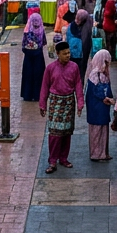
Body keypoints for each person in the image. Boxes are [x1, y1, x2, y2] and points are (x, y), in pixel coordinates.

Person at [39, 41, 84, 173]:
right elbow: (44, 87)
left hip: (68, 103)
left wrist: (80, 103)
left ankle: (63, 158)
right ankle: (52, 160)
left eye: (69, 53)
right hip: (55, 103)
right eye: (64, 53)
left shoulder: (74, 67)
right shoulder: (50, 68)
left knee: (66, 133)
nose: (68, 55)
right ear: (57, 54)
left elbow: (78, 85)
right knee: (54, 134)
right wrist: (42, 104)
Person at [85, 49, 114, 162]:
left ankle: (103, 153)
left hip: (100, 107)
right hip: (97, 107)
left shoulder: (101, 73)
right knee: (97, 130)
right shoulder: (96, 74)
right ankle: (97, 153)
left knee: (103, 129)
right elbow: (97, 91)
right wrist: (107, 98)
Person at [21, 11, 48, 102]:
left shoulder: (27, 30)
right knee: (38, 75)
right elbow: (44, 42)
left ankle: (27, 95)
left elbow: (23, 44)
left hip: (28, 57)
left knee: (28, 75)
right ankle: (37, 95)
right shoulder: (41, 30)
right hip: (39, 56)